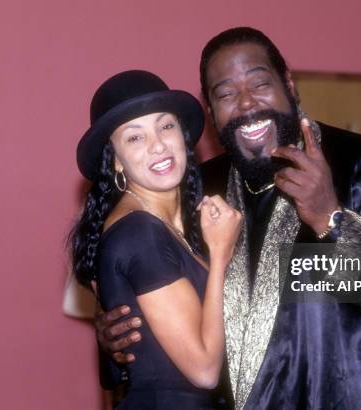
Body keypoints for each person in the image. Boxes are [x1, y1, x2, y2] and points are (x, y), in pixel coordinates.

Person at [95, 28, 361, 410]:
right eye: (226, 94)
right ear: (210, 111)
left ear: (288, 84)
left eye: (259, 83)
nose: (247, 104)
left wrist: (333, 222)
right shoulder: (201, 190)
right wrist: (121, 340)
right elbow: (177, 318)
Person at [70, 70, 242, 409]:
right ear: (116, 160)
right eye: (135, 138)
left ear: (184, 134)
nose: (158, 144)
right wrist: (221, 255)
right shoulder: (140, 232)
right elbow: (205, 370)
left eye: (166, 126)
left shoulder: (188, 217)